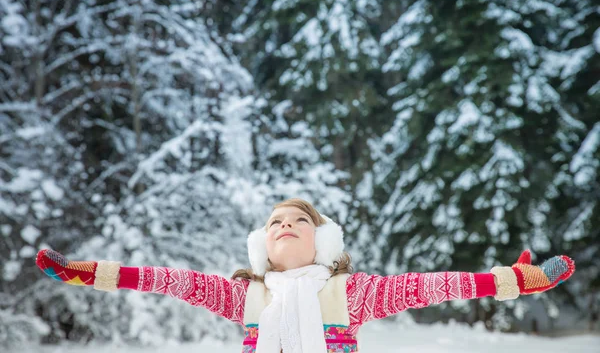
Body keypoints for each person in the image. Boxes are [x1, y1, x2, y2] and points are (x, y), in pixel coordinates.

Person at [36, 198, 575, 353]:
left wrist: (510, 281)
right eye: (276, 222)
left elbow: (438, 284)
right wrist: (85, 274)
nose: (286, 225)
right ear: (264, 245)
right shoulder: (241, 296)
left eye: (301, 220)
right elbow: (158, 279)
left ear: (325, 242)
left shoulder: (354, 292)